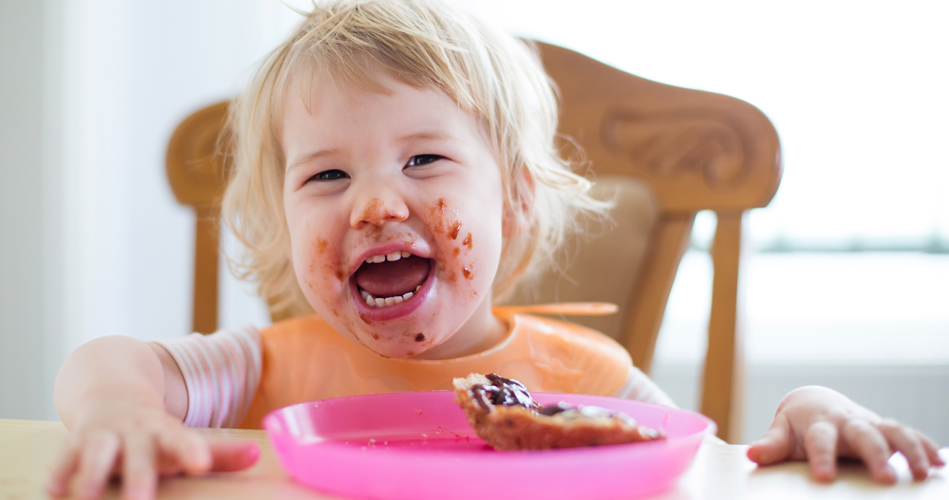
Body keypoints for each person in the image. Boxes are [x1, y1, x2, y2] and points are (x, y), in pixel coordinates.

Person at [47, 1, 943, 499]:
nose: (375, 203)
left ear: (513, 200)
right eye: (325, 178)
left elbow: (699, 467)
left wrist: (807, 409)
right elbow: (107, 362)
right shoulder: (261, 369)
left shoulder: (582, 379)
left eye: (425, 159)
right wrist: (118, 410)